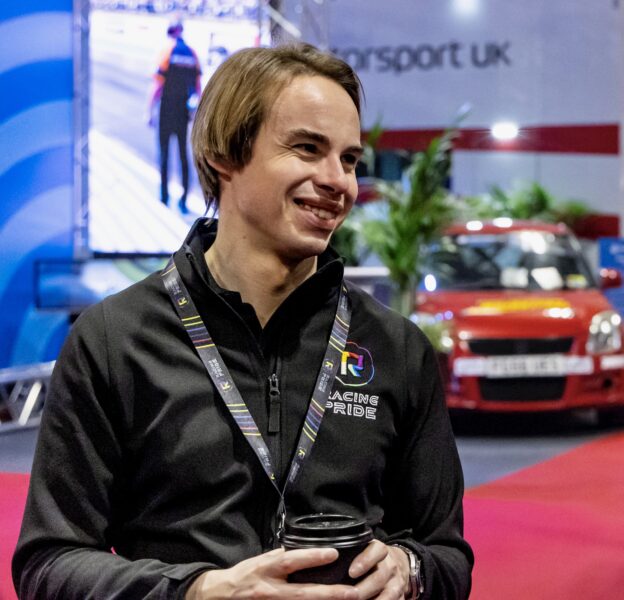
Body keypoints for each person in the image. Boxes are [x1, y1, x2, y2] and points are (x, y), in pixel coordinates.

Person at [13, 44, 473, 599]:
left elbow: (447, 555)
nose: (339, 182)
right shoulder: (115, 339)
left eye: (349, 159)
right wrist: (199, 592)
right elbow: (49, 563)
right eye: (307, 149)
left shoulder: (395, 347)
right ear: (223, 155)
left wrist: (410, 568)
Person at [148, 21, 202, 214]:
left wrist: (149, 111)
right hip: (182, 111)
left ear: (169, 33)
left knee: (164, 154)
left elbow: (157, 86)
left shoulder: (166, 52)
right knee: (182, 155)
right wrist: (195, 111)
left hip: (166, 109)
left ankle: (164, 197)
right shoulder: (192, 53)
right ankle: (184, 199)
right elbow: (198, 87)